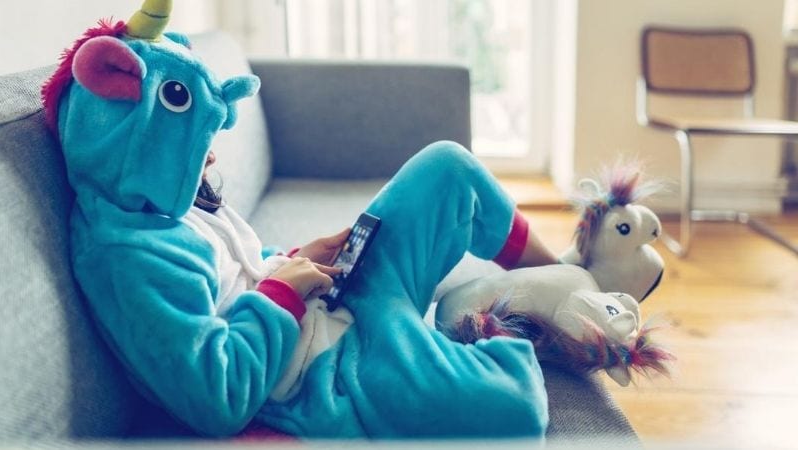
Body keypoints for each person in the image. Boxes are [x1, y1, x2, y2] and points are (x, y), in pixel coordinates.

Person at [43, 3, 558, 439]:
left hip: (335, 302)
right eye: (198, 150)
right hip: (332, 366)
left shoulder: (164, 203)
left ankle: (561, 274)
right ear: (139, 144)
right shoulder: (125, 260)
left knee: (447, 167)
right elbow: (217, 397)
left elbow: (239, 275)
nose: (213, 162)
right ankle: (460, 338)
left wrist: (293, 260)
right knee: (516, 408)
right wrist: (281, 295)